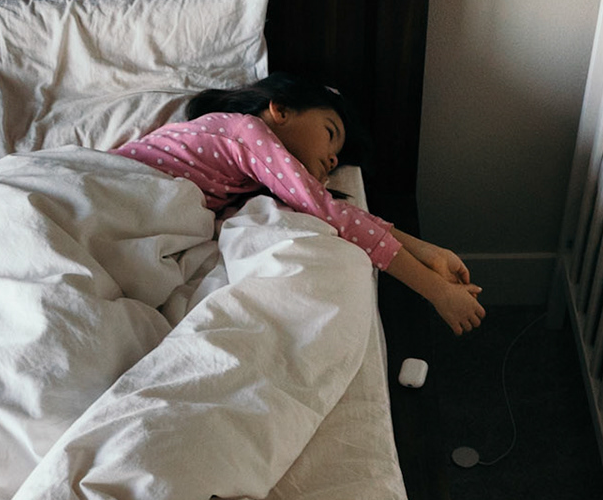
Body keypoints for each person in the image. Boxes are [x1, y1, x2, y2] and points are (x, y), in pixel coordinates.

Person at [114, 74, 486, 335]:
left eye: (337, 157)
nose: (333, 159)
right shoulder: (247, 132)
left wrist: (428, 252)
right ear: (281, 110)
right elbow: (332, 214)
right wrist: (437, 291)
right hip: (118, 185)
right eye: (329, 132)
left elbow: (341, 213)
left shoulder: (251, 169)